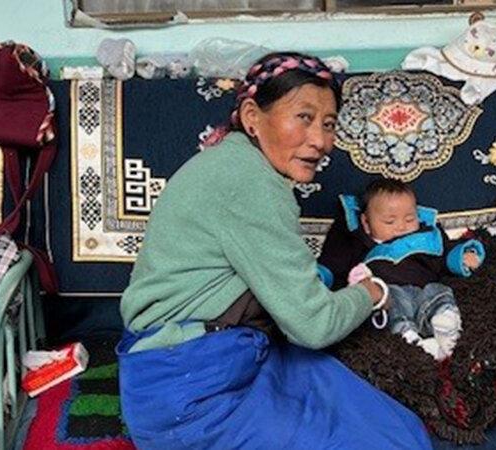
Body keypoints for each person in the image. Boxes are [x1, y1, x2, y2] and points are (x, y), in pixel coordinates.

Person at [117, 52, 432, 450]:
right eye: (303, 117)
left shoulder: (235, 162)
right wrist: (373, 292)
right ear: (251, 117)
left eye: (328, 124)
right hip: (191, 390)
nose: (319, 140)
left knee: (399, 431)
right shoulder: (250, 182)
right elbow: (314, 325)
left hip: (213, 357)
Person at [317, 179, 486, 360]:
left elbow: (446, 251)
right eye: (390, 221)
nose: (401, 226)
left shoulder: (427, 235)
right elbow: (334, 262)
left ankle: (447, 327)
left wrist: (462, 256)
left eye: (409, 219)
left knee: (441, 291)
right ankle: (410, 339)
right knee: (390, 303)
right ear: (366, 223)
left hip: (426, 289)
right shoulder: (358, 241)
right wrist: (319, 276)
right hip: (390, 293)